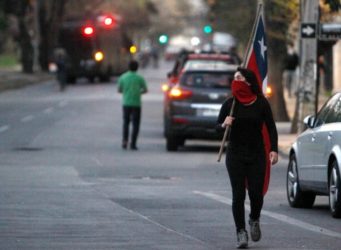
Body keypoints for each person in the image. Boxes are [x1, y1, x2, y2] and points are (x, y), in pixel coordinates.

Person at [216, 67, 278, 249]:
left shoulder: (261, 103)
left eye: (239, 78)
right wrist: (223, 124)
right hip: (235, 154)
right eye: (234, 78)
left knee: (256, 194)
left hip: (257, 153)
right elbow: (216, 128)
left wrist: (273, 149)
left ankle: (254, 218)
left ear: (248, 82)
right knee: (238, 195)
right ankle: (241, 232)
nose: (235, 81)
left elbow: (271, 127)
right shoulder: (230, 104)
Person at [118, 60, 148, 150]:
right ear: (137, 68)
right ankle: (133, 144)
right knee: (136, 124)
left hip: (126, 103)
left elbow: (119, 90)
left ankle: (124, 141)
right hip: (136, 104)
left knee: (126, 123)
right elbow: (145, 90)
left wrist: (126, 92)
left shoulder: (123, 77)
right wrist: (139, 92)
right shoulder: (140, 78)